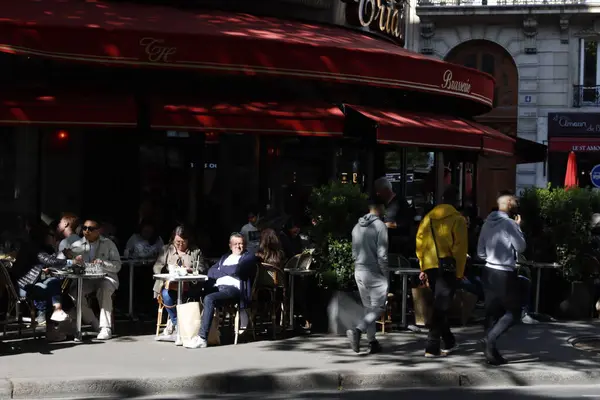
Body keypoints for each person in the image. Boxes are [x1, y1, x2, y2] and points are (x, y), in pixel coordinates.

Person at [416, 185, 467, 358]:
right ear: (456, 201)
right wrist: (459, 272)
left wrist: (423, 265)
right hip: (447, 266)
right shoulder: (457, 219)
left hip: (431, 264)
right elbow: (460, 248)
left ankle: (450, 340)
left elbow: (420, 243)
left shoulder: (428, 218)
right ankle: (432, 345)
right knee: (441, 305)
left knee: (440, 304)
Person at [477, 193, 526, 365]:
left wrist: (491, 256)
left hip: (489, 270)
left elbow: (480, 252)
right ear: (509, 206)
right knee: (514, 312)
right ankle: (490, 339)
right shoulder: (509, 224)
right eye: (514, 202)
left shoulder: (486, 223)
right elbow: (521, 246)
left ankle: (491, 353)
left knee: (492, 311)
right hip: (504, 272)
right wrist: (518, 227)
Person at [185, 233, 256, 349]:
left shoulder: (248, 257)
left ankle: (202, 338)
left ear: (245, 245)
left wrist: (222, 270)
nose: (238, 246)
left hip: (234, 290)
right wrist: (229, 271)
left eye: (241, 244)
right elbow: (211, 271)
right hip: (217, 287)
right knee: (192, 294)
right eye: (235, 244)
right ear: (230, 245)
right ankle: (182, 332)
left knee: (209, 299)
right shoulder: (225, 257)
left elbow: (239, 271)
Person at [10, 224, 78, 339]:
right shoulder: (33, 248)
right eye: (51, 234)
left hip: (32, 283)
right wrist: (72, 262)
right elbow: (49, 260)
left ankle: (57, 317)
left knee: (53, 283)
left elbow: (49, 263)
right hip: (23, 286)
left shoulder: (39, 247)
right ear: (43, 236)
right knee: (53, 287)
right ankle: (54, 325)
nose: (53, 237)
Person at [346, 201, 389, 354]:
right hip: (374, 271)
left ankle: (372, 341)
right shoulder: (380, 226)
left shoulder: (356, 227)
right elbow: (382, 255)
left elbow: (353, 253)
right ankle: (358, 330)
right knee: (379, 308)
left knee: (369, 307)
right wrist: (386, 275)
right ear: (379, 208)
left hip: (359, 270)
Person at [153, 225, 205, 343]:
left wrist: (191, 270)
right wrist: (165, 272)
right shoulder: (167, 249)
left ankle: (178, 326)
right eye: (177, 242)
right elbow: (157, 266)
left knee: (192, 294)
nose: (180, 244)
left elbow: (202, 267)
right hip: (170, 284)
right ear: (173, 240)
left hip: (190, 285)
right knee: (166, 295)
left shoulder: (195, 251)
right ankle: (179, 326)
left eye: (183, 242)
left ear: (188, 240)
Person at [71, 218, 121, 340]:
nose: (87, 231)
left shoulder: (109, 244)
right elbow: (70, 265)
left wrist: (103, 263)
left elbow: (118, 265)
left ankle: (105, 327)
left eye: (91, 229)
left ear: (99, 231)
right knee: (74, 291)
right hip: (86, 279)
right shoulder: (76, 245)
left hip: (106, 277)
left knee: (104, 289)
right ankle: (93, 321)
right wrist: (74, 262)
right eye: (84, 228)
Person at [374, 177, 414, 254]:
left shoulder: (401, 203)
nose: (377, 194)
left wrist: (385, 225)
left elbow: (403, 223)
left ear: (386, 190)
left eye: (379, 191)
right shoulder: (381, 203)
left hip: (397, 245)